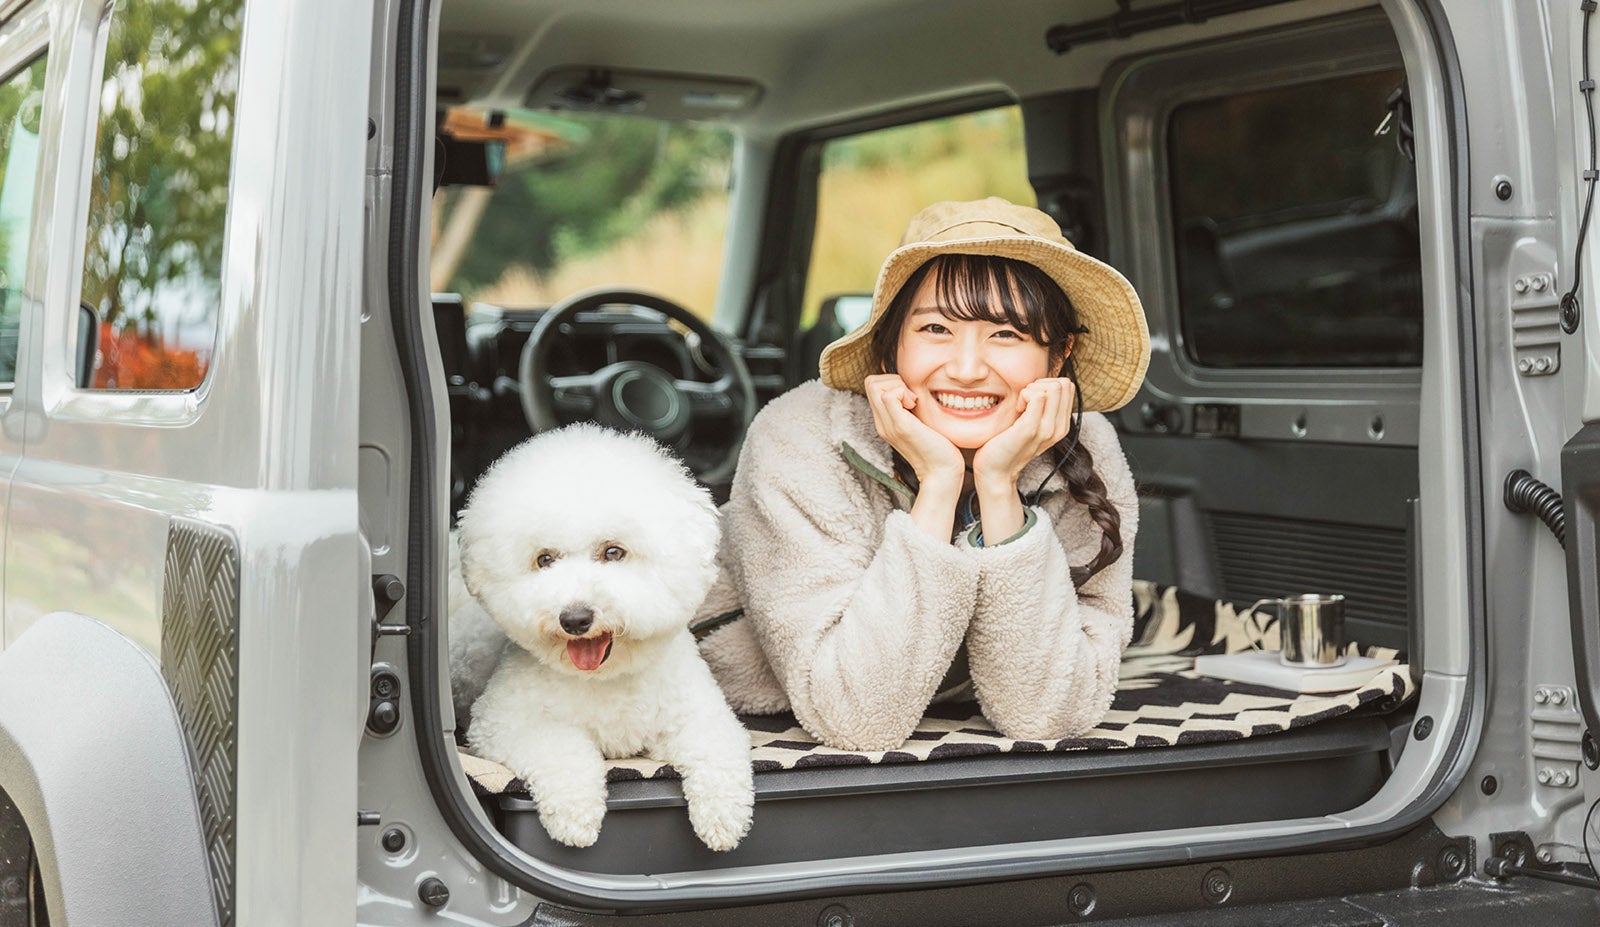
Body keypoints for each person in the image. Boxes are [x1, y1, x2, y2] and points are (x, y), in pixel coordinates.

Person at [695, 197, 1150, 751]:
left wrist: (999, 484)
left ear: (1058, 357)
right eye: (935, 328)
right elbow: (858, 720)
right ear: (890, 346)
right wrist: (937, 483)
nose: (964, 369)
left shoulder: (1087, 446)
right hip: (765, 725)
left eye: (1006, 334)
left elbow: (1047, 718)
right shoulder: (798, 436)